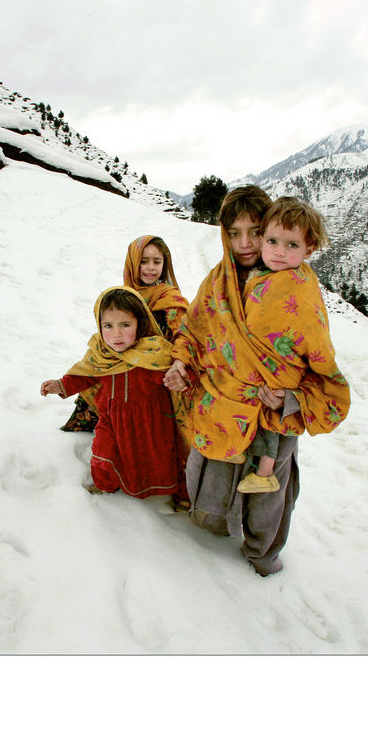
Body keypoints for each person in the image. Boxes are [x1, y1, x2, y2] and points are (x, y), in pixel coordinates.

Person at [164, 188, 351, 576]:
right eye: (235, 233)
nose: (245, 243)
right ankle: (208, 536)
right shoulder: (219, 282)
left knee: (267, 492)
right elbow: (195, 330)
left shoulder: (297, 290)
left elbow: (321, 366)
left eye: (254, 231)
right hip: (222, 405)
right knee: (212, 477)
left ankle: (262, 553)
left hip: (273, 412)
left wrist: (292, 397)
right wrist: (181, 362)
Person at [41, 286, 186, 503]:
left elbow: (168, 375)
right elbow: (87, 374)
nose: (116, 334)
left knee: (155, 459)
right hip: (112, 416)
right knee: (104, 451)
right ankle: (105, 484)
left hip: (150, 422)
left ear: (140, 324)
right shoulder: (101, 352)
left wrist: (176, 380)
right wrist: (61, 385)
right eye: (108, 326)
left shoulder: (153, 353)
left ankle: (167, 493)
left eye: (125, 325)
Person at [59, 235, 190, 432]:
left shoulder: (169, 297)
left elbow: (184, 332)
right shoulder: (124, 296)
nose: (150, 268)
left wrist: (179, 361)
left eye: (157, 261)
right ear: (132, 262)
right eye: (143, 261)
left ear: (165, 263)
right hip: (121, 361)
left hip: (155, 369)